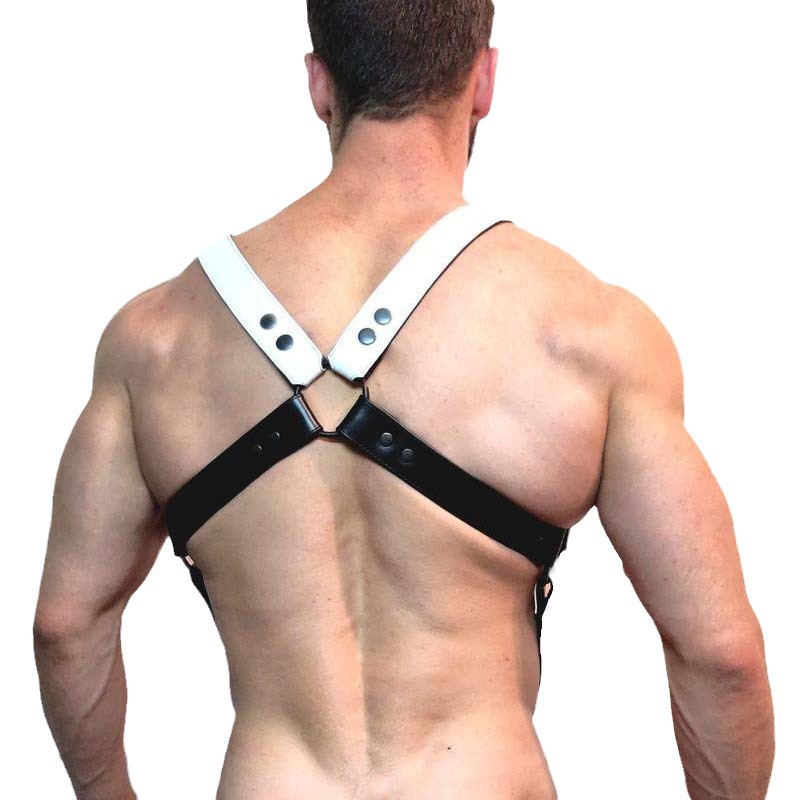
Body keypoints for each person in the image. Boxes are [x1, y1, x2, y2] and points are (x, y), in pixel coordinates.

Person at [32, 2, 774, 798]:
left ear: (320, 84)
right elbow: (719, 655)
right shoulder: (590, 333)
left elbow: (66, 626)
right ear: (484, 81)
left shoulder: (157, 339)